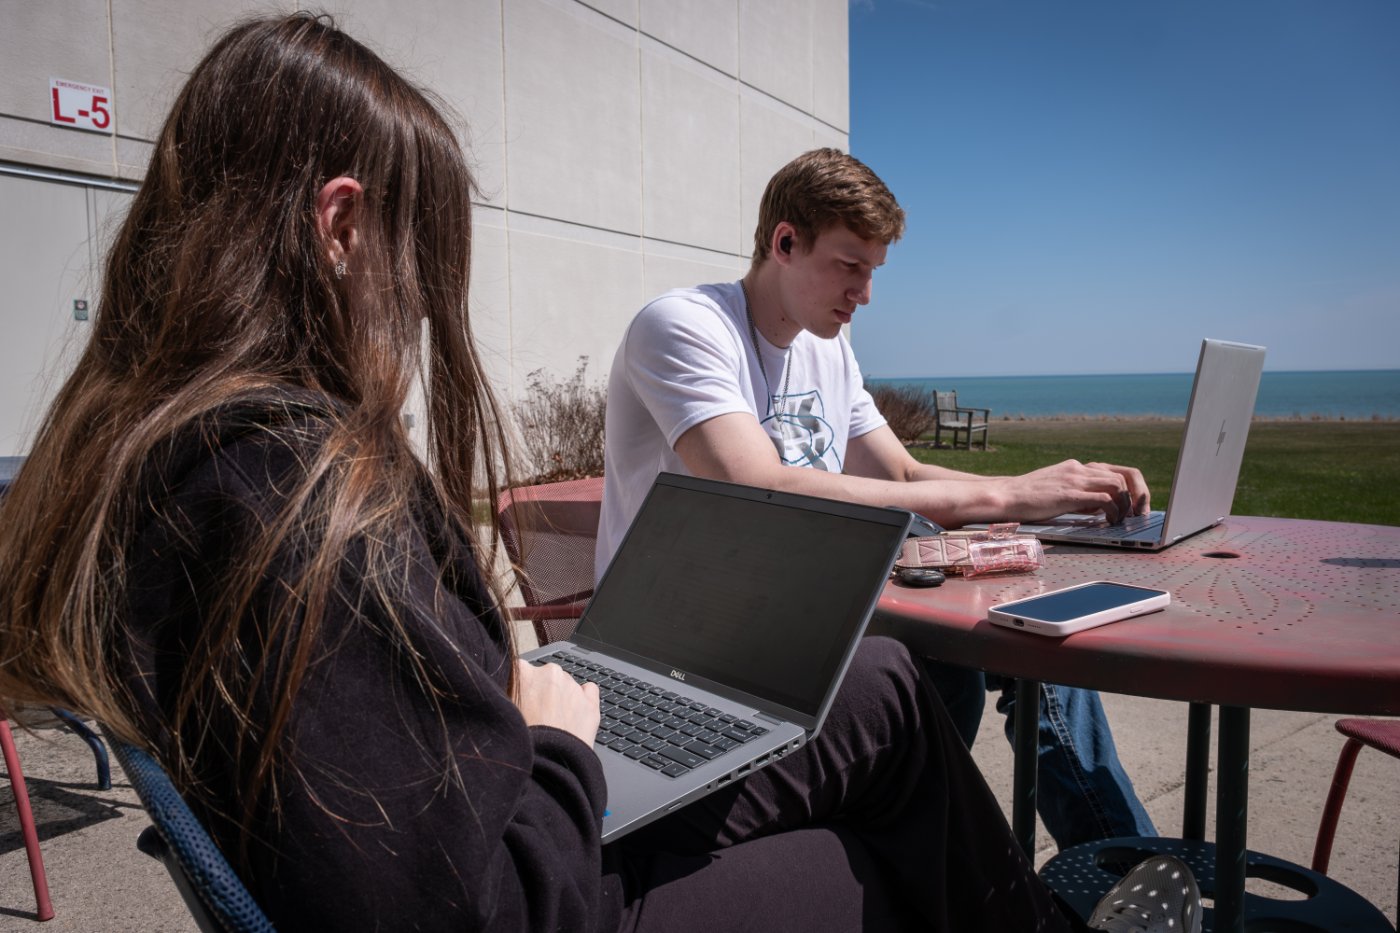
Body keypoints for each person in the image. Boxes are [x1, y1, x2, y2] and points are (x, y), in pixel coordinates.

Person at [0, 14, 1200, 933]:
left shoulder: (173, 462)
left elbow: (362, 750)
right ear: (340, 226)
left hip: (503, 789)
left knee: (887, 687)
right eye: (425, 256)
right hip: (543, 854)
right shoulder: (286, 497)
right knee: (888, 836)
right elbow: (475, 903)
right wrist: (563, 747)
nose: (422, 302)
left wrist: (509, 691)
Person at [598, 147, 1157, 850]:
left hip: (808, 613)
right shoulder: (683, 327)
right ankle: (925, 859)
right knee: (943, 666)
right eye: (850, 265)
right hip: (697, 646)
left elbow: (898, 475)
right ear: (785, 242)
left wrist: (1048, 492)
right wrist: (1010, 490)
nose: (864, 294)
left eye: (873, 272)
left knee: (1027, 631)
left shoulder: (827, 348)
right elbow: (755, 485)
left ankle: (1124, 865)